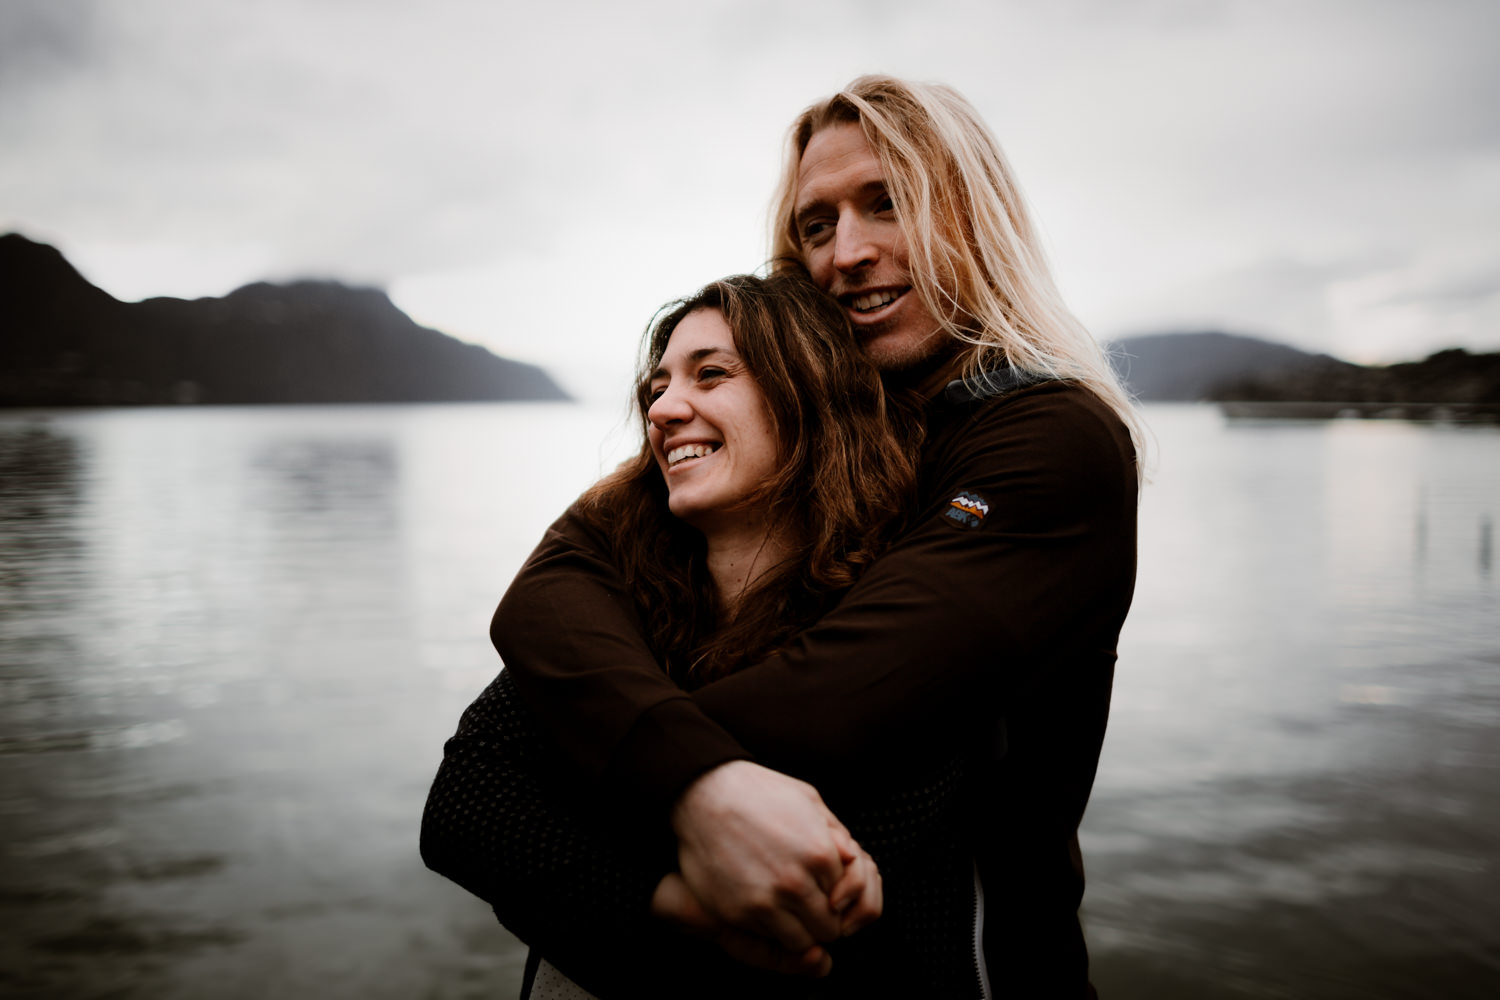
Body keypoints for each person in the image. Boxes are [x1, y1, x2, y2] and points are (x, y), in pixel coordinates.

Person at [456, 75, 1142, 997]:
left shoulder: (1047, 438)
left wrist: (621, 779)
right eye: (816, 227)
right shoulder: (791, 444)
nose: (848, 253)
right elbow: (552, 586)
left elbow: (836, 705)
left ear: (974, 216)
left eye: (888, 204)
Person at [424, 270, 981, 997]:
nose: (663, 409)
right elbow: (461, 810)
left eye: (710, 375)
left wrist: (569, 851)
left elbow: (815, 911)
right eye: (656, 389)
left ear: (806, 393)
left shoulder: (888, 623)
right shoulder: (616, 609)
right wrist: (674, 900)